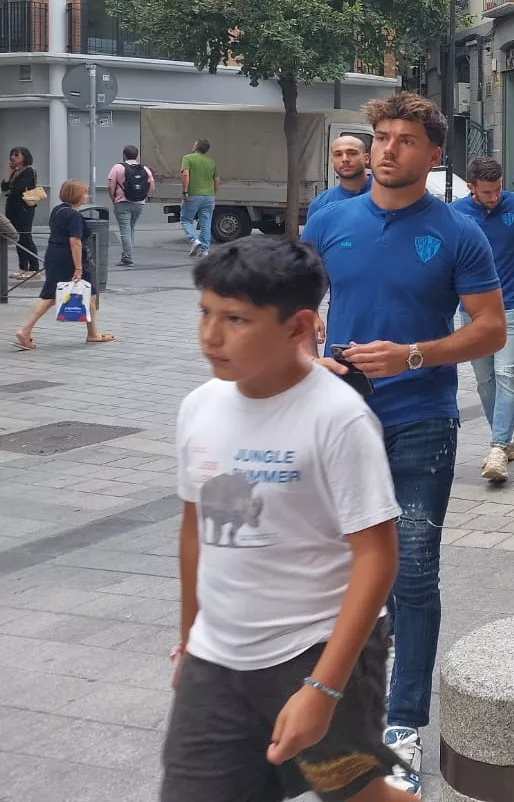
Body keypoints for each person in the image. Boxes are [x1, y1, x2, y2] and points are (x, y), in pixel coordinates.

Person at [299, 91, 505, 795]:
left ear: (431, 153)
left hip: (421, 422)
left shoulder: (455, 233)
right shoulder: (332, 220)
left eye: (403, 139)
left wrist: (414, 355)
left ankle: (401, 722)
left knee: (411, 574)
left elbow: (490, 329)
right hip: (339, 421)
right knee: (336, 573)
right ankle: (337, 707)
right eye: (380, 136)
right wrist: (308, 357)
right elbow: (295, 304)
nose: (386, 149)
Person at [162, 237, 410, 802]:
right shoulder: (199, 408)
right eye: (205, 312)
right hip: (215, 660)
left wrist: (323, 688)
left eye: (236, 319)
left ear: (299, 326)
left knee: (357, 795)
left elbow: (377, 556)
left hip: (315, 650)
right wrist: (188, 638)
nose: (211, 335)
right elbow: (193, 532)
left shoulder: (338, 419)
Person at [453, 156, 514, 483]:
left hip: (513, 304)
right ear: (471, 188)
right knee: (484, 379)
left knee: (506, 373)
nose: (494, 197)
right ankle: (505, 439)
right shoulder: (457, 213)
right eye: (486, 192)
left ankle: (497, 445)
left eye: (498, 190)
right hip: (473, 310)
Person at [14, 179, 116, 350]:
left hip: (54, 254)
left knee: (66, 294)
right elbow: (75, 241)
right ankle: (25, 330)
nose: (86, 196)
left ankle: (92, 333)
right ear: (75, 195)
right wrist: (78, 267)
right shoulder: (73, 215)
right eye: (84, 193)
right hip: (68, 257)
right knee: (57, 296)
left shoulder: (58, 210)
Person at [306, 134, 373, 222]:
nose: (345, 159)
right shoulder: (321, 204)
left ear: (366, 158)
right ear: (332, 161)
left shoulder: (384, 195)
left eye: (352, 153)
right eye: (338, 154)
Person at [108, 144, 153, 267]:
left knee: (125, 231)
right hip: (139, 204)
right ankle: (127, 255)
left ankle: (127, 257)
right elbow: (151, 186)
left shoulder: (118, 167)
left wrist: (114, 199)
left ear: (124, 155)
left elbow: (111, 185)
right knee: (131, 228)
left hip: (122, 202)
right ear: (136, 155)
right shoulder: (145, 169)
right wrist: (143, 197)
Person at [4, 145, 41, 279]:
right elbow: (4, 187)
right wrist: (9, 172)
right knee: (18, 238)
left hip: (25, 208)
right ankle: (23, 268)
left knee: (25, 236)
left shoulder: (29, 171)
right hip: (13, 208)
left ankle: (34, 268)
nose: (12, 157)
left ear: (24, 157)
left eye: (16, 155)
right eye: (12, 155)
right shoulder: (15, 172)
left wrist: (12, 186)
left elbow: (18, 189)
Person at [180, 139, 220, 258]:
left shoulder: (188, 158)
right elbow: (217, 180)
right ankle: (204, 250)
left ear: (196, 146)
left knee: (186, 220)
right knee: (206, 223)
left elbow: (185, 174)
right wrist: (213, 193)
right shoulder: (211, 162)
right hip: (209, 196)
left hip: (194, 194)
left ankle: (194, 240)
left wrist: (185, 191)